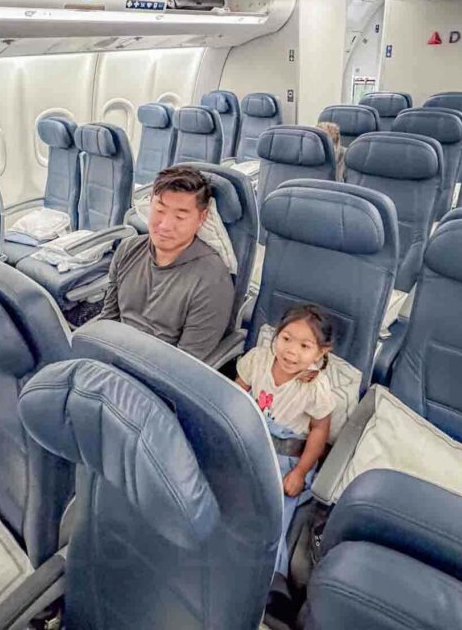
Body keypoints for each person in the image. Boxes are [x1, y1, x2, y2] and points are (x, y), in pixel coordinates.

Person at [235, 304, 334, 583]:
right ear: (276, 335)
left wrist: (300, 471)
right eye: (286, 339)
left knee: (273, 512)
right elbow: (238, 390)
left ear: (321, 352)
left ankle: (266, 575)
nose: (291, 351)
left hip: (286, 458)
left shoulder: (316, 387)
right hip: (250, 439)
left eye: (305, 346)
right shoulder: (258, 359)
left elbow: (319, 431)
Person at [97, 166, 234, 362]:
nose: (165, 225)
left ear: (201, 218)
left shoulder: (212, 281)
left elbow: (185, 363)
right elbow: (108, 318)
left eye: (180, 216)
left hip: (157, 373)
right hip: (113, 354)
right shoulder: (128, 249)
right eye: (159, 210)